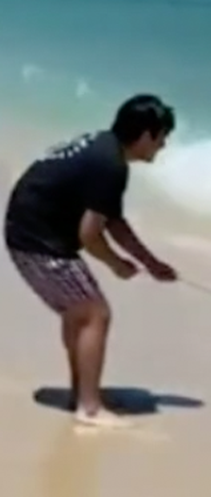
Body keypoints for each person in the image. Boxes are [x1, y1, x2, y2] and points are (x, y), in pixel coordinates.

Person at [4, 94, 180, 428]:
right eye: (162, 138)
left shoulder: (105, 148)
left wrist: (150, 262)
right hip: (36, 240)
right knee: (94, 314)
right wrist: (116, 264)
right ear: (146, 136)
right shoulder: (110, 165)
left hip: (28, 232)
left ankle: (82, 392)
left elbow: (113, 221)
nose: (163, 146)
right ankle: (90, 408)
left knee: (80, 311)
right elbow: (90, 234)